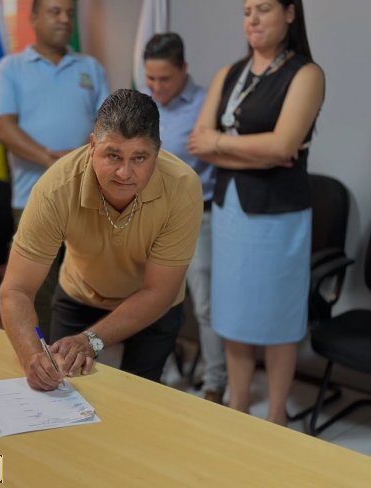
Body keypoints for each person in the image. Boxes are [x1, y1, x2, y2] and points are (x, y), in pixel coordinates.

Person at [0, 89, 203, 391]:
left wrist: (91, 340)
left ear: (157, 153)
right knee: (62, 389)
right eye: (113, 155)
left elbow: (159, 291)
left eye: (140, 158)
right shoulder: (56, 188)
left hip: (152, 304)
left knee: (139, 398)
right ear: (92, 145)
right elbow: (16, 289)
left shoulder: (182, 188)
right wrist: (31, 357)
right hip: (80, 293)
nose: (124, 172)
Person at [187, 0, 324, 425]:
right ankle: (238, 408)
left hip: (278, 217)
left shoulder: (305, 74)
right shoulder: (229, 74)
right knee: (234, 314)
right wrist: (258, 153)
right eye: (247, 11)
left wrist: (222, 144)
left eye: (263, 9)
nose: (253, 19)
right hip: (230, 211)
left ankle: (277, 417)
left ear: (289, 13)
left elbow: (283, 147)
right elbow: (197, 142)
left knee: (278, 319)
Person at [0, 0, 109, 336]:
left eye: (69, 13)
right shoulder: (11, 68)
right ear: (33, 18)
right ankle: (42, 357)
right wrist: (52, 160)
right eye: (55, 12)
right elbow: (2, 127)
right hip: (32, 199)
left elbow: (108, 125)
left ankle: (77, 355)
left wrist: (80, 161)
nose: (64, 19)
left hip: (86, 199)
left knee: (83, 288)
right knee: (37, 291)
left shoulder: (90, 68)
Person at [143, 33, 227, 403]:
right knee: (153, 300)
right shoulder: (144, 103)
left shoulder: (207, 104)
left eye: (165, 78)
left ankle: (214, 382)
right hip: (153, 216)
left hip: (198, 218)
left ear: (183, 70)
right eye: (150, 78)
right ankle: (154, 374)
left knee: (206, 305)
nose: (157, 86)